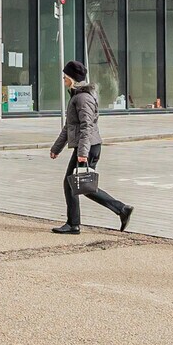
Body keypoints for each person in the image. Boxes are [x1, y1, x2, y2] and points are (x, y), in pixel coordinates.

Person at [49, 60, 133, 234]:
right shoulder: (77, 96)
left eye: (65, 76)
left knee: (75, 184)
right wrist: (56, 148)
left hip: (88, 147)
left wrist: (82, 153)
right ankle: (120, 210)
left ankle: (75, 224)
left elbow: (87, 126)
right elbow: (69, 127)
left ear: (73, 78)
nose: (63, 78)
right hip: (86, 146)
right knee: (78, 185)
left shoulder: (82, 99)